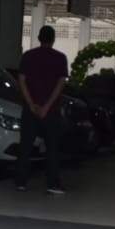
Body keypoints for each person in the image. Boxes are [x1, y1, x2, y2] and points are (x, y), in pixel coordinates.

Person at [14, 25, 68, 194]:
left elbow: (21, 80)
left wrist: (31, 104)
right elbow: (60, 83)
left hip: (31, 109)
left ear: (39, 38)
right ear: (53, 39)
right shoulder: (60, 58)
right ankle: (52, 184)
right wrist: (47, 106)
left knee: (25, 146)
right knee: (52, 147)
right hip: (51, 110)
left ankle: (20, 182)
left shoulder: (28, 56)